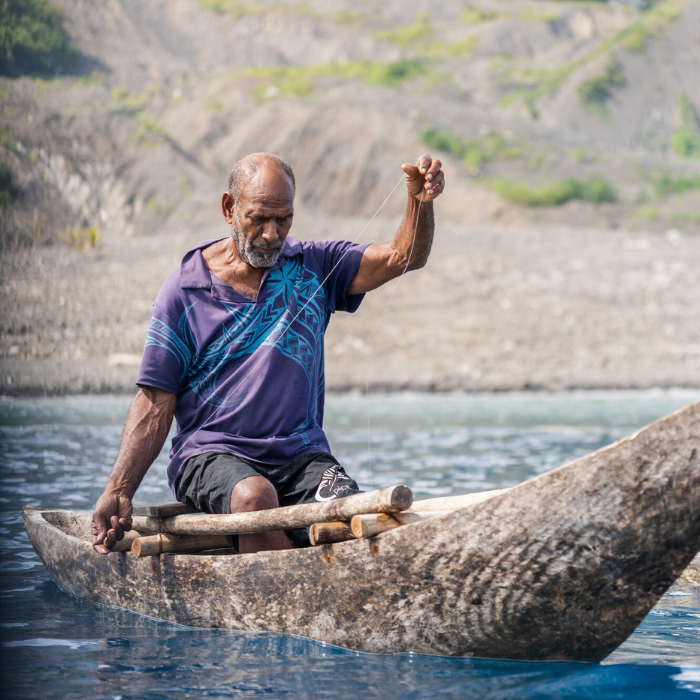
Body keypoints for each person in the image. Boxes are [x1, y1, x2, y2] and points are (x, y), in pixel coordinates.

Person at [91, 152, 445, 554]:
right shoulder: (184, 291)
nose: (273, 234)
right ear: (229, 208)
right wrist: (119, 489)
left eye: (284, 219)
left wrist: (419, 202)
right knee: (254, 498)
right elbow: (156, 401)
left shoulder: (314, 266)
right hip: (210, 455)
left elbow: (405, 256)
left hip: (301, 458)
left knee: (355, 513)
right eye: (259, 218)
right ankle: (286, 597)